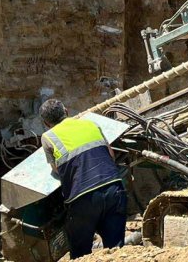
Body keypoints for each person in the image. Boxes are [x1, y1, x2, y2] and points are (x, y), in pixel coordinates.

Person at [39, 98, 126, 258]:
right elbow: (110, 155)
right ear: (66, 112)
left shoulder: (48, 137)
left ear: (45, 123)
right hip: (114, 188)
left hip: (83, 198)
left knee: (80, 253)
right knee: (116, 251)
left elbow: (57, 170)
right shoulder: (90, 123)